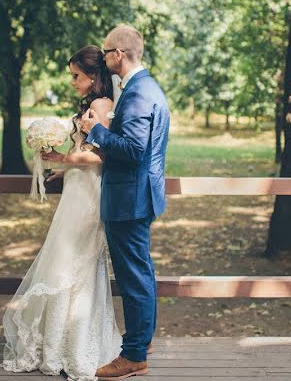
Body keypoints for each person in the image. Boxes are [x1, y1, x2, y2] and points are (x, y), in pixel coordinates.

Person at [1, 45, 122, 381]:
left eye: (76, 76)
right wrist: (63, 168)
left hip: (89, 197)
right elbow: (80, 148)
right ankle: (57, 346)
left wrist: (65, 160)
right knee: (64, 261)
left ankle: (76, 346)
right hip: (75, 191)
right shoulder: (89, 106)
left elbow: (100, 156)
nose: (72, 82)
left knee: (74, 261)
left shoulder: (103, 106)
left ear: (94, 76)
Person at [79, 24, 170, 381]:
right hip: (140, 194)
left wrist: (95, 132)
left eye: (105, 52)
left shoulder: (135, 94)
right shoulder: (148, 87)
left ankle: (133, 354)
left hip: (129, 198)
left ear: (118, 54)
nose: (103, 58)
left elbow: (133, 151)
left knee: (134, 278)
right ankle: (141, 342)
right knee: (141, 273)